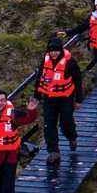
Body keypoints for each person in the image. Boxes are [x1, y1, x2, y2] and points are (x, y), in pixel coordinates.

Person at [36, 33, 81, 169]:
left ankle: (72, 137)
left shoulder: (70, 62)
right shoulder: (45, 61)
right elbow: (39, 79)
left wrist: (78, 99)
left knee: (66, 122)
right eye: (51, 51)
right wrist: (37, 96)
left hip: (66, 98)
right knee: (49, 125)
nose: (54, 53)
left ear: (61, 50)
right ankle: (54, 151)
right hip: (49, 98)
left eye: (56, 50)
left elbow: (78, 80)